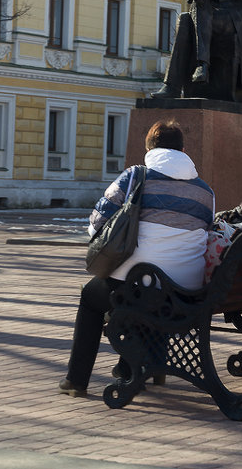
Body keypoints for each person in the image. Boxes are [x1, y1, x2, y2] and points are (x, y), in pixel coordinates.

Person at [60, 120, 214, 397]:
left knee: (92, 295)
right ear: (183, 149)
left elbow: (97, 222)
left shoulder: (135, 176)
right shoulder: (205, 191)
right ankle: (142, 366)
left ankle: (76, 379)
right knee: (157, 276)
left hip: (139, 287)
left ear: (149, 147)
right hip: (185, 294)